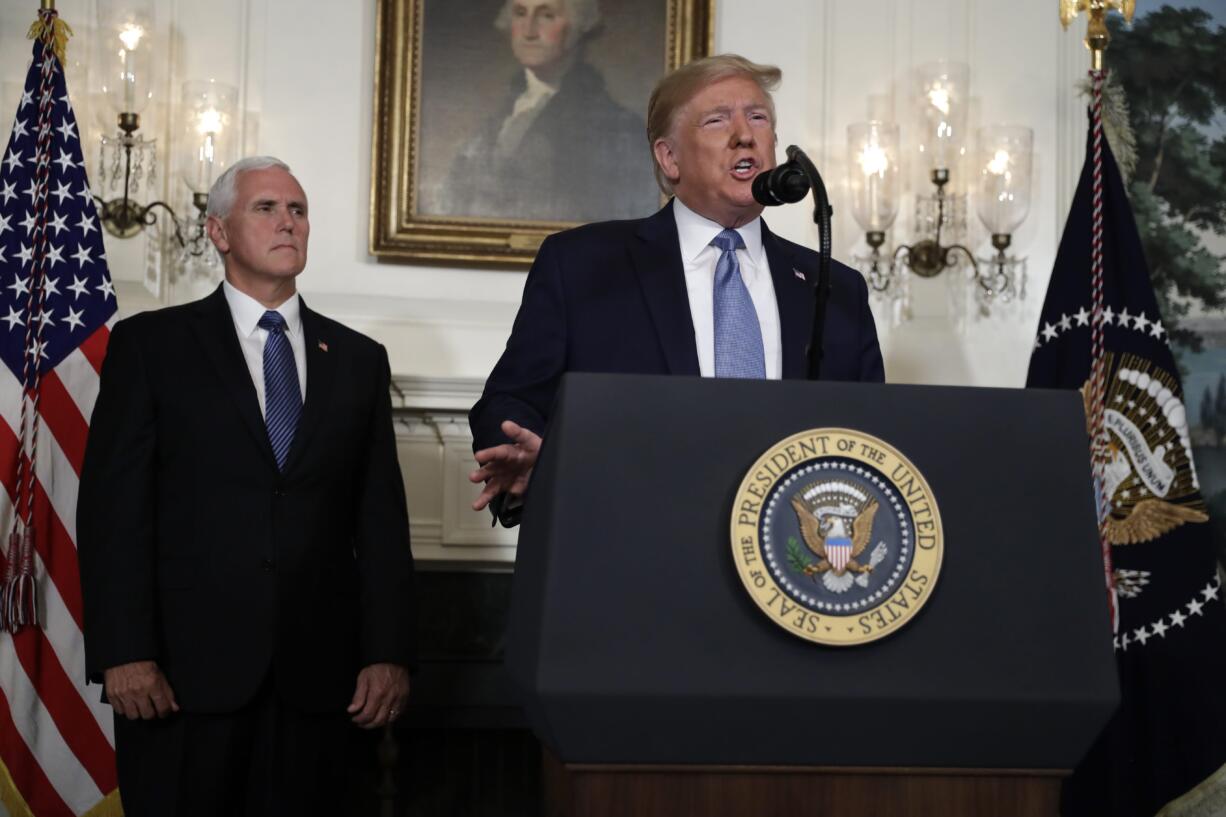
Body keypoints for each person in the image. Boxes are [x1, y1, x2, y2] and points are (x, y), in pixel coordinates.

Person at [78, 156, 416, 816]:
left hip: (321, 686)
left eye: (298, 209)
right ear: (218, 232)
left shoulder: (357, 361)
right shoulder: (151, 346)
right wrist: (124, 652)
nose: (288, 221)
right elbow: (114, 512)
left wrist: (389, 652)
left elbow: (379, 522)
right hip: (179, 679)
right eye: (266, 207)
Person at [468, 54, 885, 526]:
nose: (744, 134)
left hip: (788, 558)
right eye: (716, 120)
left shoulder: (835, 289)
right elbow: (512, 400)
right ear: (669, 158)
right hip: (630, 544)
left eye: (757, 117)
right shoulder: (584, 265)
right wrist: (530, 459)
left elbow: (871, 436)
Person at [436, 0, 658, 222]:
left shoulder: (617, 127)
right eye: (520, 13)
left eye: (547, 15)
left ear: (577, 26)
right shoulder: (503, 114)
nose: (529, 31)